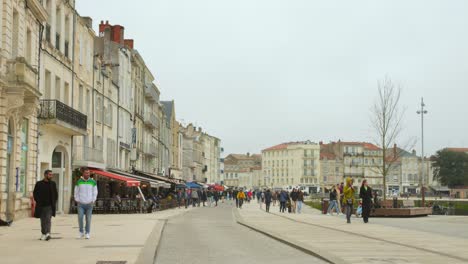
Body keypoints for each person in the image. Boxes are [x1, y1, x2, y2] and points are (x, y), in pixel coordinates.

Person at [33, 169, 58, 241]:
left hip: (49, 206)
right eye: (50, 175)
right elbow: (35, 193)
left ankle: (48, 233)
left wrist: (54, 202)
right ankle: (43, 233)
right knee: (42, 220)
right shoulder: (39, 183)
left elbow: (55, 194)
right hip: (41, 206)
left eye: (51, 175)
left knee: (48, 219)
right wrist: (38, 201)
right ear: (45, 175)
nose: (51, 176)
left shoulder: (53, 183)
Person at [74, 168, 98, 239]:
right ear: (83, 173)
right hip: (81, 203)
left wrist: (93, 200)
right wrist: (77, 199)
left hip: (89, 203)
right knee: (80, 218)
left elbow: (95, 192)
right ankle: (81, 232)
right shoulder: (79, 181)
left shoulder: (93, 182)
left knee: (88, 219)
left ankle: (87, 232)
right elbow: (76, 192)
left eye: (88, 173)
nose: (87, 174)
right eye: (86, 173)